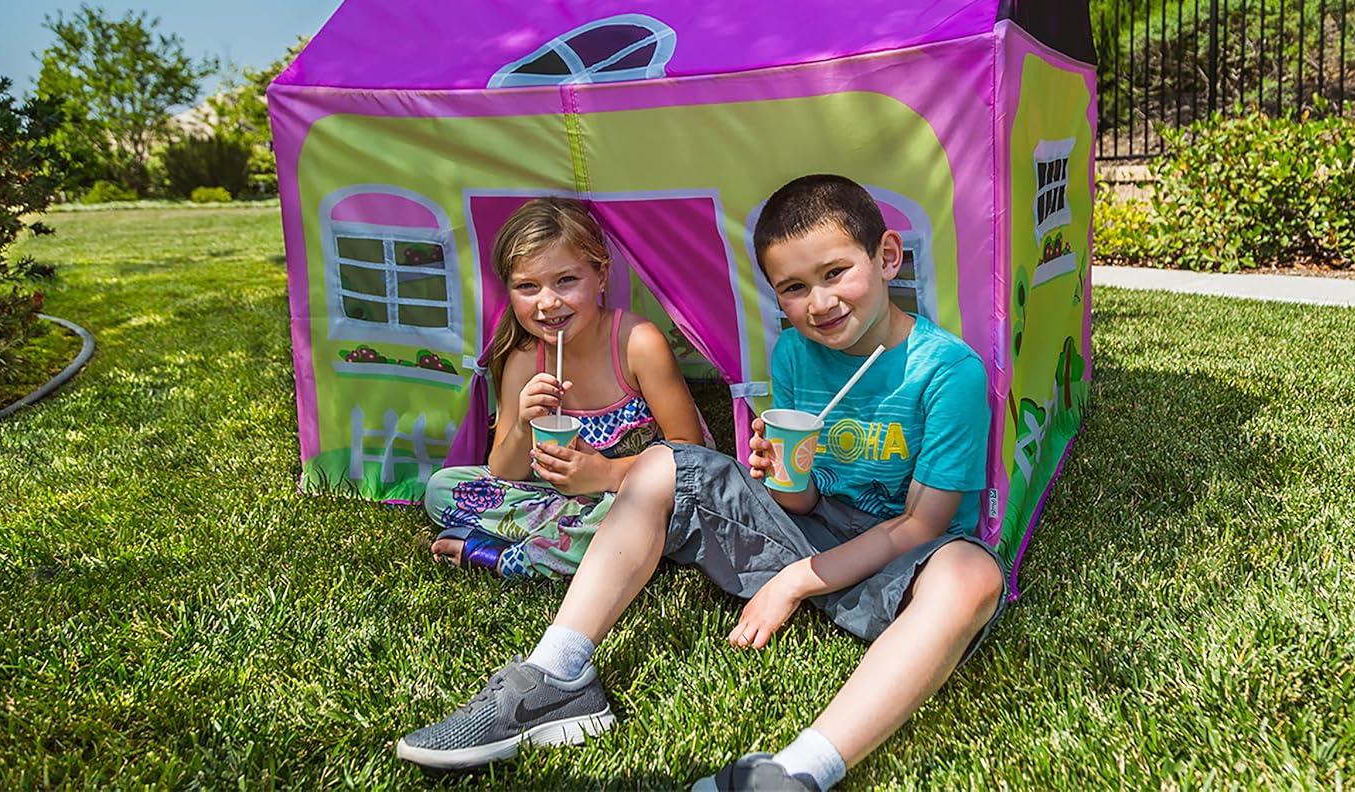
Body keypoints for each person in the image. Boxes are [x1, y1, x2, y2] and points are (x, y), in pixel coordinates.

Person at [397, 176, 1007, 791]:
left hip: (900, 562)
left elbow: (921, 525)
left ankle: (797, 771)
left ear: (887, 257)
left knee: (972, 575)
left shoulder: (947, 371)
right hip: (810, 529)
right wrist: (783, 477)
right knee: (666, 462)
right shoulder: (796, 353)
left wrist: (794, 582)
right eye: (794, 289)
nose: (820, 303)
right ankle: (557, 677)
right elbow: (802, 498)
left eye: (835, 273)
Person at [423, 196, 706, 579]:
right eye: (527, 286)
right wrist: (524, 424)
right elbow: (504, 472)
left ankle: (509, 559)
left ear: (601, 276)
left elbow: (691, 453)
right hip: (558, 500)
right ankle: (582, 541)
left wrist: (604, 474)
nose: (548, 303)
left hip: (636, 493)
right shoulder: (525, 359)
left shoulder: (637, 343)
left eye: (566, 280)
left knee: (643, 510)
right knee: (442, 488)